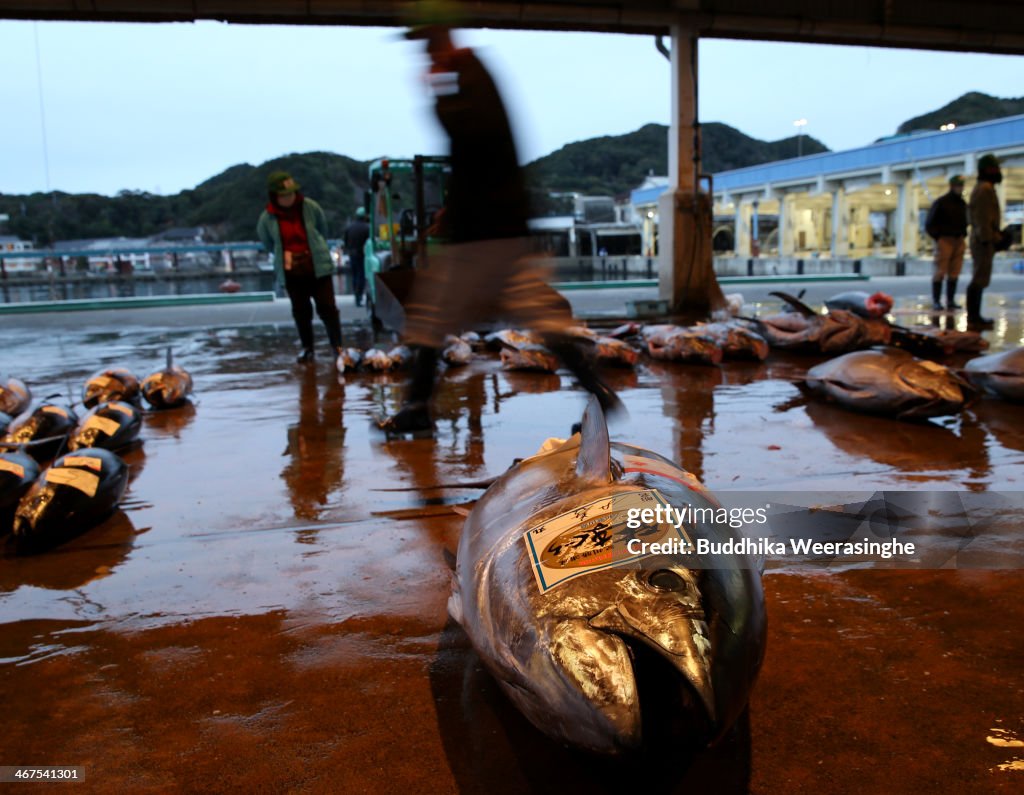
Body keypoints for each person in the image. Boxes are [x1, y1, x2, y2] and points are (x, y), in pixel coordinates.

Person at [378, 3, 623, 434]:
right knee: (540, 316)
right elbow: (475, 160)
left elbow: (474, 140)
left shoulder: (468, 74)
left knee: (428, 318)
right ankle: (600, 394)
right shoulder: (468, 74)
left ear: (440, 34)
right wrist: (450, 212)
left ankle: (417, 408)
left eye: (426, 42)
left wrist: (438, 96)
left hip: (483, 233)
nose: (424, 53)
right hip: (499, 224)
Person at [257, 171, 344, 363]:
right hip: (291, 270)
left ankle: (337, 347)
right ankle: (307, 348)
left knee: (328, 307)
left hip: (317, 266)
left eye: (291, 194)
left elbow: (322, 229)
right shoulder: (267, 217)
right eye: (284, 195)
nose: (289, 198)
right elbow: (267, 242)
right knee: (301, 310)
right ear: (274, 196)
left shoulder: (310, 206)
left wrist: (316, 246)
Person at [967, 154, 1002, 330]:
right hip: (983, 240)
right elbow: (983, 218)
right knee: (979, 278)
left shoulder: (985, 188)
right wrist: (990, 239)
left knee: (980, 278)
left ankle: (975, 316)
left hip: (983, 238)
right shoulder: (984, 189)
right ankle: (973, 317)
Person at [924, 174, 968, 311]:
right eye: (958, 185)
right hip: (945, 239)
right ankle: (937, 301)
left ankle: (950, 300)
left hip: (959, 239)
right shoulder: (941, 202)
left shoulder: (962, 204)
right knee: (940, 271)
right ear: (952, 186)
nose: (960, 188)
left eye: (961, 185)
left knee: (954, 272)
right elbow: (930, 223)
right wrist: (938, 237)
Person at [342, 207, 370, 307]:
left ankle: (356, 295)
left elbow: (345, 242)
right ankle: (359, 296)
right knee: (361, 275)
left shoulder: (349, 228)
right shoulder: (367, 228)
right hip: (362, 254)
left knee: (354, 275)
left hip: (352, 254)